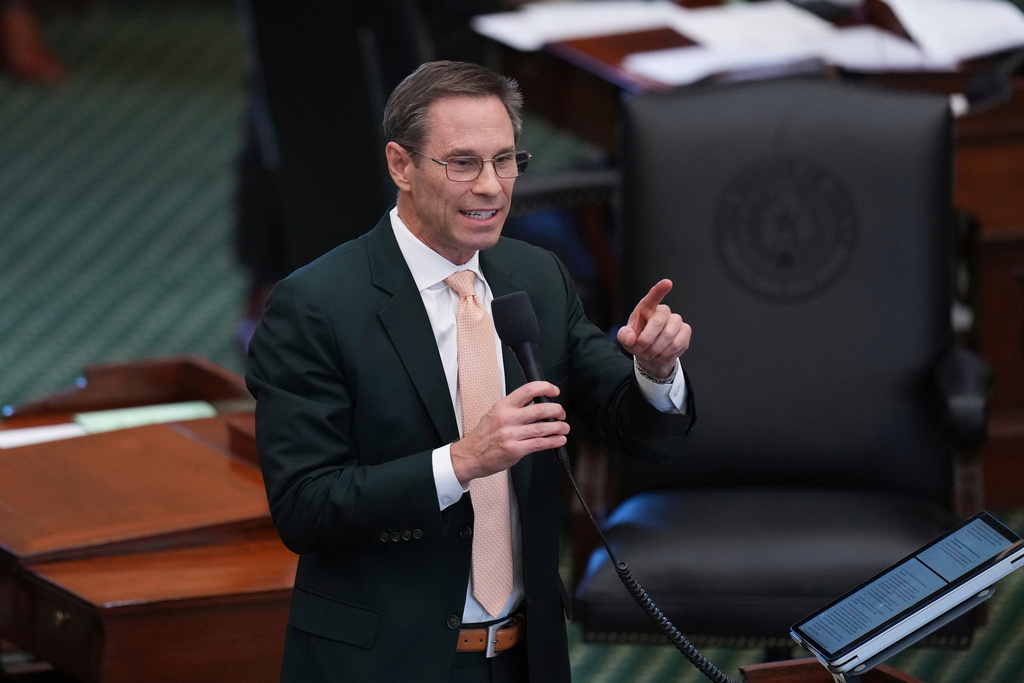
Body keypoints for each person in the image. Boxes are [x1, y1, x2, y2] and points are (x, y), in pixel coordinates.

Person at [245, 60, 695, 683]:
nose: (491, 186)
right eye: (462, 163)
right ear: (401, 165)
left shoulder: (536, 278)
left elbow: (637, 427)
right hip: (385, 664)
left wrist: (653, 369)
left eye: (505, 160)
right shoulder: (316, 306)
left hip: (523, 658)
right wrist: (461, 462)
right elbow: (305, 507)